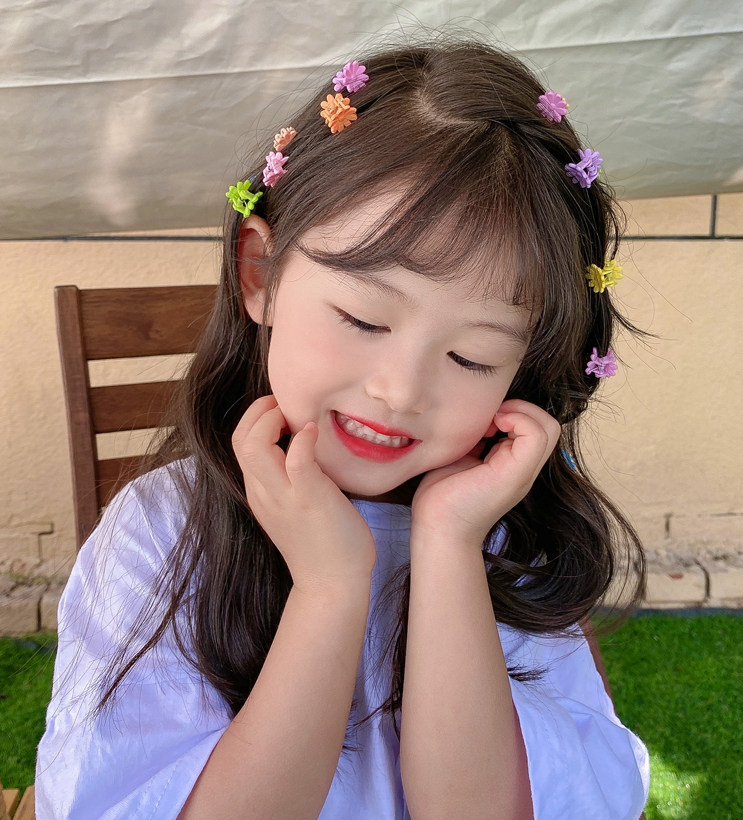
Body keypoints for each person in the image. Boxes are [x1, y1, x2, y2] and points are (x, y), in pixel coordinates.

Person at [37, 38, 650, 819]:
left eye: (471, 357)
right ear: (260, 274)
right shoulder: (161, 535)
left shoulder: (508, 544)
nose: (401, 391)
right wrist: (330, 588)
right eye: (364, 318)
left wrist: (449, 545)